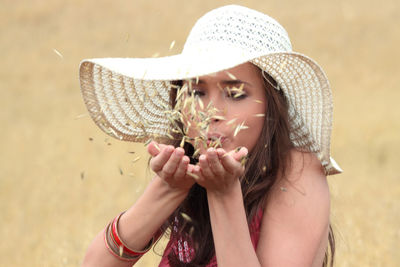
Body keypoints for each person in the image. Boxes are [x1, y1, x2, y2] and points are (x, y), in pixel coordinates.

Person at [79, 5, 342, 267]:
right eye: (196, 92)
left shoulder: (296, 171)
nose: (211, 112)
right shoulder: (185, 167)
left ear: (271, 106)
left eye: (236, 93)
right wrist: (168, 189)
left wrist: (224, 193)